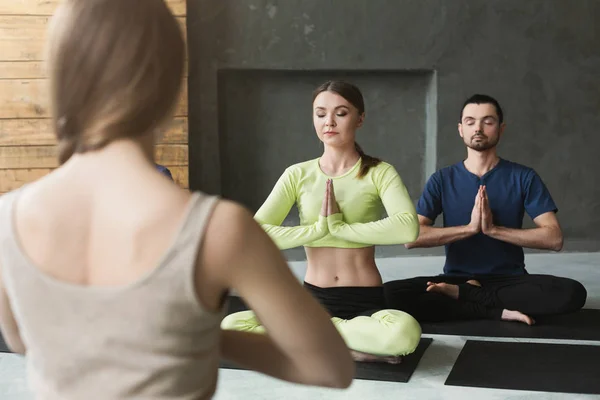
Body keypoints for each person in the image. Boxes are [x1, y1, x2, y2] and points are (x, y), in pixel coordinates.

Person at [0, 1, 355, 399]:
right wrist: (203, 335)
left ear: (61, 78)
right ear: (169, 84)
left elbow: (22, 341)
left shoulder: (5, 218)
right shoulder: (219, 228)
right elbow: (330, 366)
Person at [221, 80, 423, 363]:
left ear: (360, 118)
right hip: (313, 298)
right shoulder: (297, 174)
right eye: (320, 113)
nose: (329, 121)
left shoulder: (379, 172)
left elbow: (407, 227)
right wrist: (316, 230)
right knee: (232, 326)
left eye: (341, 113)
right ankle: (343, 345)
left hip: (364, 301)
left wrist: (341, 228)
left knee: (403, 333)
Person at [387, 94, 587, 325]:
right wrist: (470, 228)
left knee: (573, 292)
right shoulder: (442, 179)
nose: (478, 128)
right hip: (456, 278)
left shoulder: (523, 177)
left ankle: (466, 298)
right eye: (470, 122)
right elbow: (410, 238)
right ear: (461, 129)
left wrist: (493, 230)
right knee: (391, 293)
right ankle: (490, 308)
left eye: (487, 121)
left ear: (501, 129)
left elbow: (554, 238)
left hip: (508, 280)